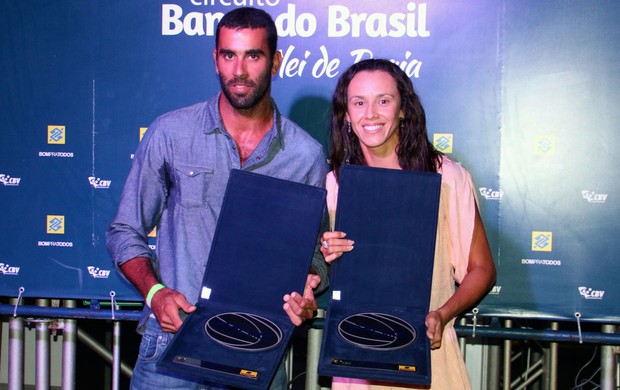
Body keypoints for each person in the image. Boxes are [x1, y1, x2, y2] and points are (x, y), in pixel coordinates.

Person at [105, 7, 328, 389]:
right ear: (215, 59)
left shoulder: (305, 155)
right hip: (171, 345)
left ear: (275, 62)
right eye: (229, 55)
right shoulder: (171, 133)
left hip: (259, 348)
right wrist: (155, 293)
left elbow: (315, 256)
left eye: (253, 56)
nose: (239, 70)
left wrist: (308, 289)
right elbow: (124, 231)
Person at [319, 59, 496, 390]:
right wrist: (329, 258)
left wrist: (442, 315)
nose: (370, 114)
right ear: (346, 114)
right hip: (356, 363)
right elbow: (325, 280)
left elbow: (482, 269)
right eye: (359, 102)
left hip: (428, 356)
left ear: (403, 109)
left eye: (383, 100)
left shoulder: (444, 177)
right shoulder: (334, 186)